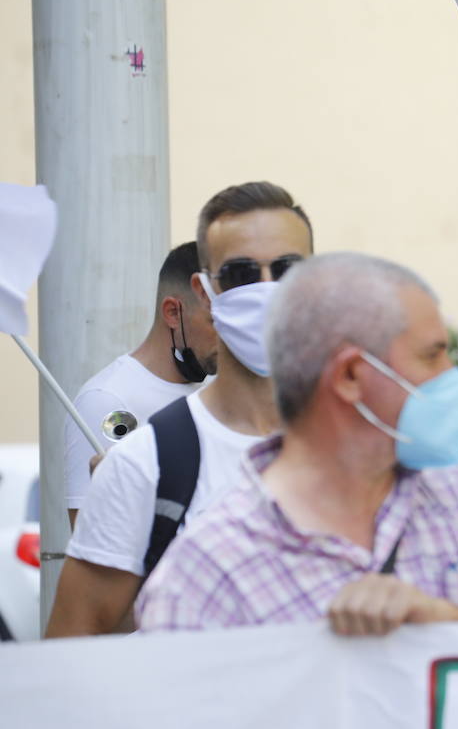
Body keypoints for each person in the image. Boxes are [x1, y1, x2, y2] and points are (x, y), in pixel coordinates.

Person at [138, 253, 458, 633]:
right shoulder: (206, 572)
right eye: (432, 356)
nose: (452, 379)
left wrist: (440, 619)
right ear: (349, 377)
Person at [49, 182, 314, 637]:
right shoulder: (138, 458)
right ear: (205, 292)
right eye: (241, 274)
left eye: (289, 269)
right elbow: (76, 642)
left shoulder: (354, 449)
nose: (267, 291)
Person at [63, 241, 216, 526]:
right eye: (216, 321)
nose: (229, 337)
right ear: (172, 312)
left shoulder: (222, 391)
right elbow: (91, 545)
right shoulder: (108, 399)